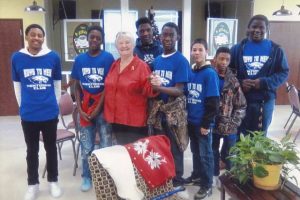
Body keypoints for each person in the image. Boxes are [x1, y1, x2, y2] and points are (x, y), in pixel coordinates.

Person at [11, 24, 63, 200]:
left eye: (40, 35)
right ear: (27, 37)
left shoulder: (53, 57)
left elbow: (57, 84)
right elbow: (17, 86)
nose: (36, 38)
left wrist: (54, 106)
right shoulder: (17, 57)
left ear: (43, 38)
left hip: (49, 113)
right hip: (29, 114)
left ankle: (53, 181)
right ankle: (32, 184)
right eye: (32, 35)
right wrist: (22, 107)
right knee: (31, 151)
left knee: (51, 149)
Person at [71, 25, 115, 192]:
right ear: (87, 39)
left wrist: (98, 108)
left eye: (98, 37)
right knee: (86, 146)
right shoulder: (80, 60)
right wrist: (79, 107)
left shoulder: (108, 58)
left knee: (105, 145)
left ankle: (103, 177)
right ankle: (87, 177)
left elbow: (108, 87)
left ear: (102, 40)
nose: (94, 40)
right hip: (85, 108)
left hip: (103, 108)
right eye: (92, 37)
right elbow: (76, 84)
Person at [230, 14, 289, 136]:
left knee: (260, 137)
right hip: (241, 101)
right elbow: (228, 73)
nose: (257, 30)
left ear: (267, 29)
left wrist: (263, 83)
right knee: (240, 136)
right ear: (248, 28)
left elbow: (284, 72)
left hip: (265, 102)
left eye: (261, 27)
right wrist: (240, 83)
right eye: (254, 27)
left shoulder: (276, 50)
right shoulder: (237, 49)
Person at [150, 22, 190, 187]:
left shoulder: (181, 60)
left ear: (177, 37)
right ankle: (164, 176)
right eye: (164, 35)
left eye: (171, 35)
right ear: (159, 37)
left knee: (175, 147)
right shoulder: (157, 60)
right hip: (159, 112)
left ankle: (177, 179)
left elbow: (179, 90)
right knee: (161, 146)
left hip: (173, 114)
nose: (167, 38)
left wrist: (158, 88)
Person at [103, 31, 160, 145]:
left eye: (127, 42)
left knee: (134, 156)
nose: (124, 46)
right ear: (116, 46)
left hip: (134, 122)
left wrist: (156, 84)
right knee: (122, 154)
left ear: (133, 45)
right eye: (121, 43)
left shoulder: (142, 66)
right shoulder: (114, 65)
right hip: (116, 119)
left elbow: (149, 91)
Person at [184, 38, 219, 199]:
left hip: (203, 123)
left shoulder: (209, 73)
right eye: (194, 49)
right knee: (195, 152)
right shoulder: (191, 72)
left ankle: (207, 184)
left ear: (206, 52)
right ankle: (197, 175)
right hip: (191, 121)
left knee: (206, 154)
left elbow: (213, 102)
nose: (196, 52)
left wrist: (206, 123)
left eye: (200, 50)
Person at [212, 47, 247, 188]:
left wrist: (234, 122)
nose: (223, 62)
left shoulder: (233, 81)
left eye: (227, 59)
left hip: (229, 125)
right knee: (213, 151)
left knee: (230, 152)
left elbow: (242, 105)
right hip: (212, 124)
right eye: (221, 58)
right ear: (215, 59)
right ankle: (214, 176)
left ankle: (229, 178)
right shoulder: (209, 75)